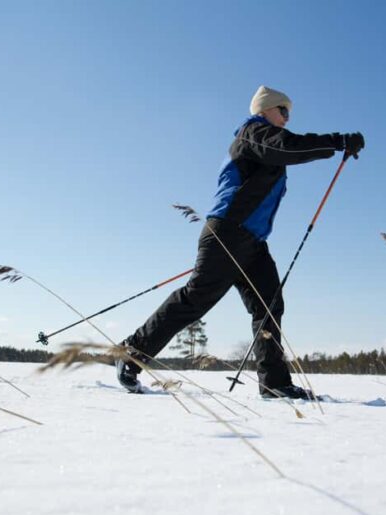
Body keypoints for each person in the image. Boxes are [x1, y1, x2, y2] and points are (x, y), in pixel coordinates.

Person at [116, 85, 364, 398]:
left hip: (252, 242)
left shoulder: (266, 141)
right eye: (283, 111)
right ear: (264, 110)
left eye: (289, 112)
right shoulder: (253, 134)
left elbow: (285, 150)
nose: (287, 118)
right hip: (228, 233)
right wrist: (336, 141)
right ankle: (131, 353)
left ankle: (275, 384)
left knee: (269, 306)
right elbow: (287, 147)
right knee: (196, 299)